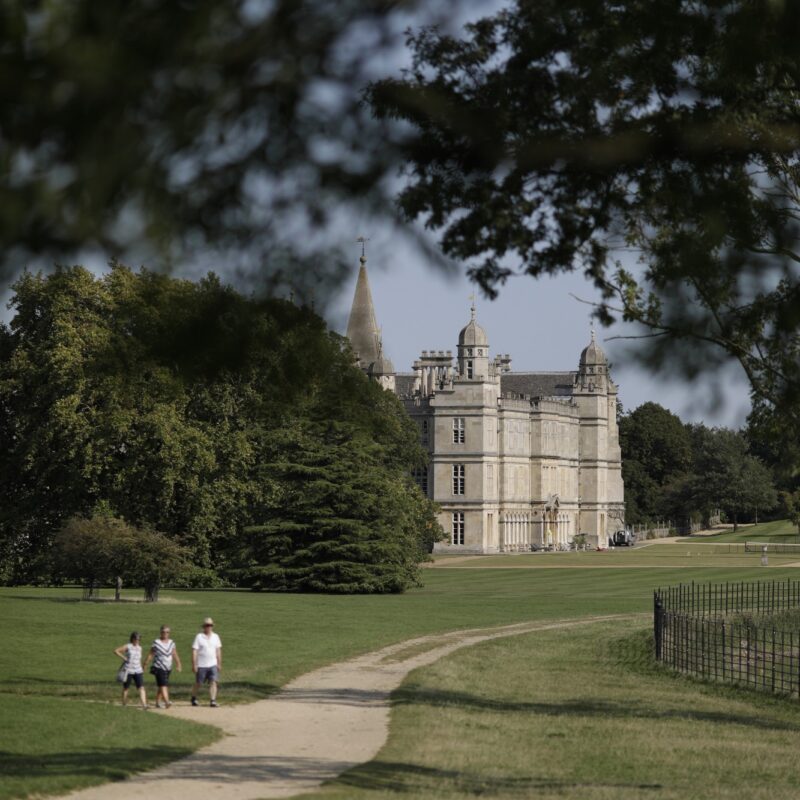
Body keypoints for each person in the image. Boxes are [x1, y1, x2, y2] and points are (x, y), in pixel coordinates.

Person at [143, 624, 182, 709]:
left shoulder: (172, 643)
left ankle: (157, 702)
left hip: (168, 667)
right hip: (158, 667)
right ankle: (167, 701)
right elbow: (151, 654)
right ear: (161, 633)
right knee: (164, 685)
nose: (165, 634)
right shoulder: (156, 642)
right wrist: (145, 664)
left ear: (169, 633)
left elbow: (174, 653)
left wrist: (178, 664)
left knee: (162, 685)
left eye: (167, 632)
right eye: (163, 632)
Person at [191, 617, 222, 707]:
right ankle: (193, 697)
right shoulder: (199, 637)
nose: (209, 627)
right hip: (201, 665)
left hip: (213, 664)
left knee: (214, 682)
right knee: (199, 683)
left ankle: (213, 700)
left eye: (210, 625)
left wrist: (219, 663)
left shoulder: (216, 636)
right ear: (204, 626)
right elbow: (194, 651)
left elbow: (218, 650)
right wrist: (194, 664)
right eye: (207, 625)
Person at [114, 631, 147, 709]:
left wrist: (141, 668)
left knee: (141, 687)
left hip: (138, 670)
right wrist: (124, 658)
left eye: (139, 639)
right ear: (132, 639)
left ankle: (144, 705)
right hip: (128, 670)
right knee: (126, 688)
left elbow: (139, 659)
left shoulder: (140, 648)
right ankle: (124, 703)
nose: (137, 641)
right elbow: (116, 651)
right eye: (136, 639)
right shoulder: (128, 646)